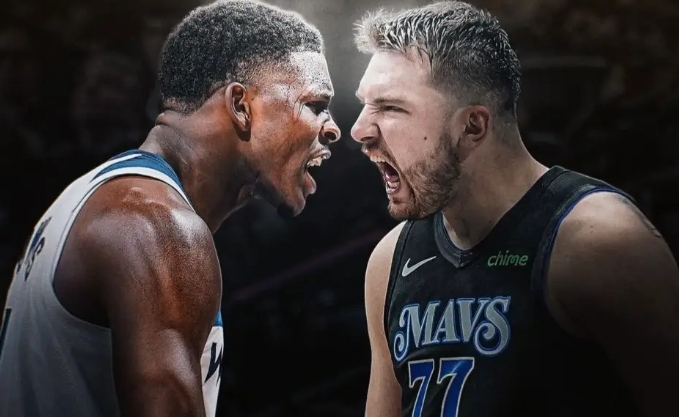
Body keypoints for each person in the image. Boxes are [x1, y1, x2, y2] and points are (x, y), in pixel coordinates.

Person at [0, 1, 340, 417]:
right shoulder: (156, 223)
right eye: (315, 105)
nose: (333, 128)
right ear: (240, 105)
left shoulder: (100, 197)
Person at [351, 2, 679, 417]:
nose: (359, 130)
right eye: (364, 104)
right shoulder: (389, 261)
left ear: (473, 126)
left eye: (390, 107)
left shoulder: (601, 242)